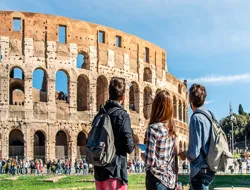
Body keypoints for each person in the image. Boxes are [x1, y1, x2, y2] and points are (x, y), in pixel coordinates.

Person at [94, 77, 134, 190]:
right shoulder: (123, 116)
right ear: (123, 97)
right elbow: (129, 147)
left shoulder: (100, 114)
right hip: (115, 171)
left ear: (109, 94)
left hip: (99, 172)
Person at [179, 84, 215, 190]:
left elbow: (194, 153)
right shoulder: (209, 116)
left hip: (200, 170)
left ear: (190, 101)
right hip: (209, 168)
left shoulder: (196, 118)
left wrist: (184, 154)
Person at [144, 90, 178, 190]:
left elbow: (150, 162)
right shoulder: (171, 129)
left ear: (155, 107)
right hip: (169, 179)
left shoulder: (153, 129)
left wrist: (143, 155)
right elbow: (174, 159)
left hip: (156, 179)